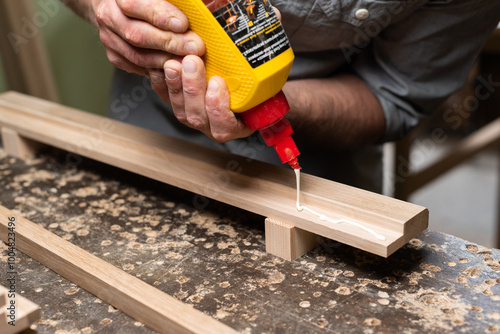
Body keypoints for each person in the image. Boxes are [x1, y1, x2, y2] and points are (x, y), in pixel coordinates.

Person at [62, 0, 500, 193]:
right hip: (147, 140)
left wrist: (273, 106)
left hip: (324, 169)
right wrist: (105, 7)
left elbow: (393, 96)